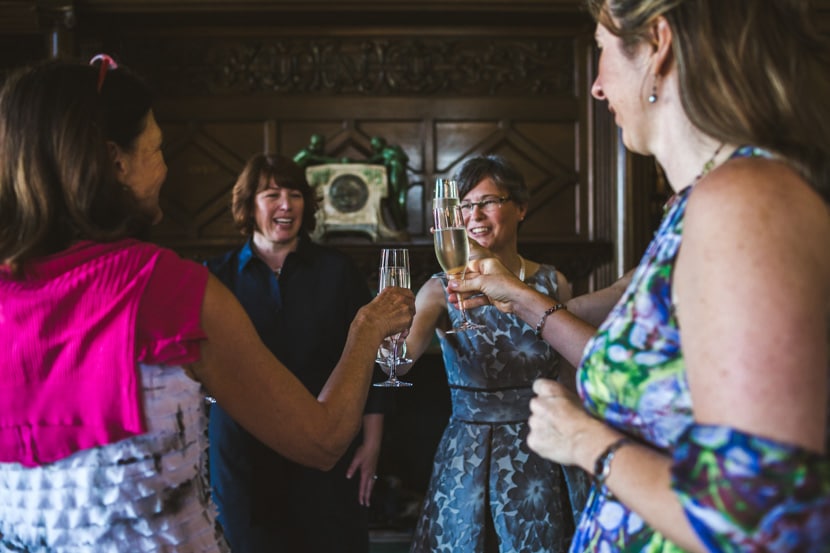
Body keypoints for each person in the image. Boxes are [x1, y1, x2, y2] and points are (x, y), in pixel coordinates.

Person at [452, 1, 830, 551]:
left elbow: (760, 522)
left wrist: (587, 443)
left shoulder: (744, 199)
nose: (597, 88)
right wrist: (517, 297)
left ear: (659, 44)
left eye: (602, 54)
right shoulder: (701, 201)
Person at [0, 57, 414, 552]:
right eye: (156, 149)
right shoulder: (170, 288)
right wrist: (368, 326)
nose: (166, 168)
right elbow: (322, 440)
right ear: (116, 163)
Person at [400, 154, 590, 553]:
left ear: (520, 208)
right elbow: (401, 360)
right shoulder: (439, 289)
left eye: (487, 202)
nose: (474, 215)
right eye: (464, 206)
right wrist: (374, 332)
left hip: (543, 450)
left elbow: (572, 378)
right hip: (468, 455)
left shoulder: (552, 282)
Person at [206, 153, 389, 552]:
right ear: (249, 205)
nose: (286, 205)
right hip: (242, 455)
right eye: (272, 194)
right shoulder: (215, 278)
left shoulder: (337, 271)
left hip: (328, 449)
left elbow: (372, 362)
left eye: (295, 194)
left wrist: (372, 443)